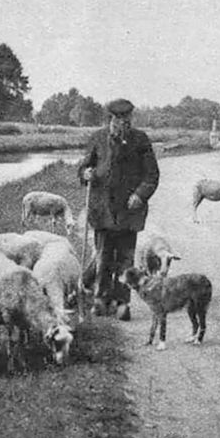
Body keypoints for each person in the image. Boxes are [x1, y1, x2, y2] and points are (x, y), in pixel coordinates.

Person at [78, 98, 160, 321]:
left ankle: (122, 304)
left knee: (126, 259)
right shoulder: (97, 138)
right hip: (102, 209)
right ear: (110, 119)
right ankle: (101, 300)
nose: (125, 123)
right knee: (103, 257)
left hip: (129, 211)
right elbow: (85, 165)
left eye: (128, 119)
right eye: (120, 119)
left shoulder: (140, 140)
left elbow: (152, 175)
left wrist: (140, 195)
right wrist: (85, 173)